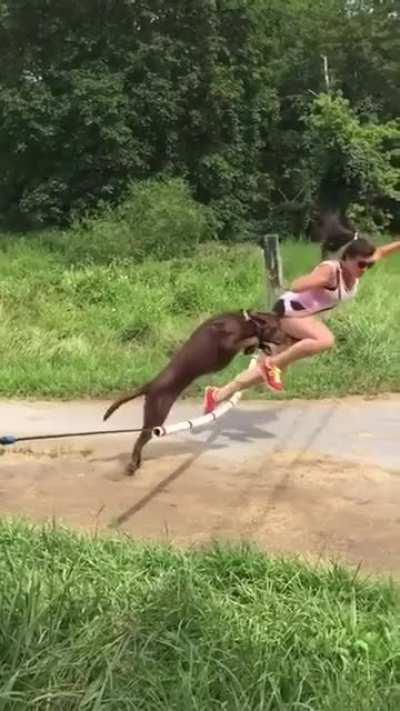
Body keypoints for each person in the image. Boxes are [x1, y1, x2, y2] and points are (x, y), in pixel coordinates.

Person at [203, 214, 400, 413]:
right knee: (324, 340)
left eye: (369, 265)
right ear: (346, 258)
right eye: (361, 264)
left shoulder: (359, 264)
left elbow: (382, 252)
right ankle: (271, 365)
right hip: (289, 312)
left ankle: (218, 394)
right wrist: (316, 281)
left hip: (303, 317)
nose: (365, 269)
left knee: (269, 369)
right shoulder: (330, 272)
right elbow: (296, 285)